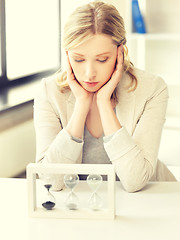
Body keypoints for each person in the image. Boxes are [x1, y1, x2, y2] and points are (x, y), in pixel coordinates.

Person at [34, 1, 176, 193]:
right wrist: (82, 105)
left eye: (102, 60)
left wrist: (103, 103)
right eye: (79, 59)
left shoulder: (152, 89)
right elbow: (51, 180)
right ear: (66, 55)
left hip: (149, 202)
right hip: (82, 206)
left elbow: (135, 181)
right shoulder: (48, 91)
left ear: (120, 52)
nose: (89, 73)